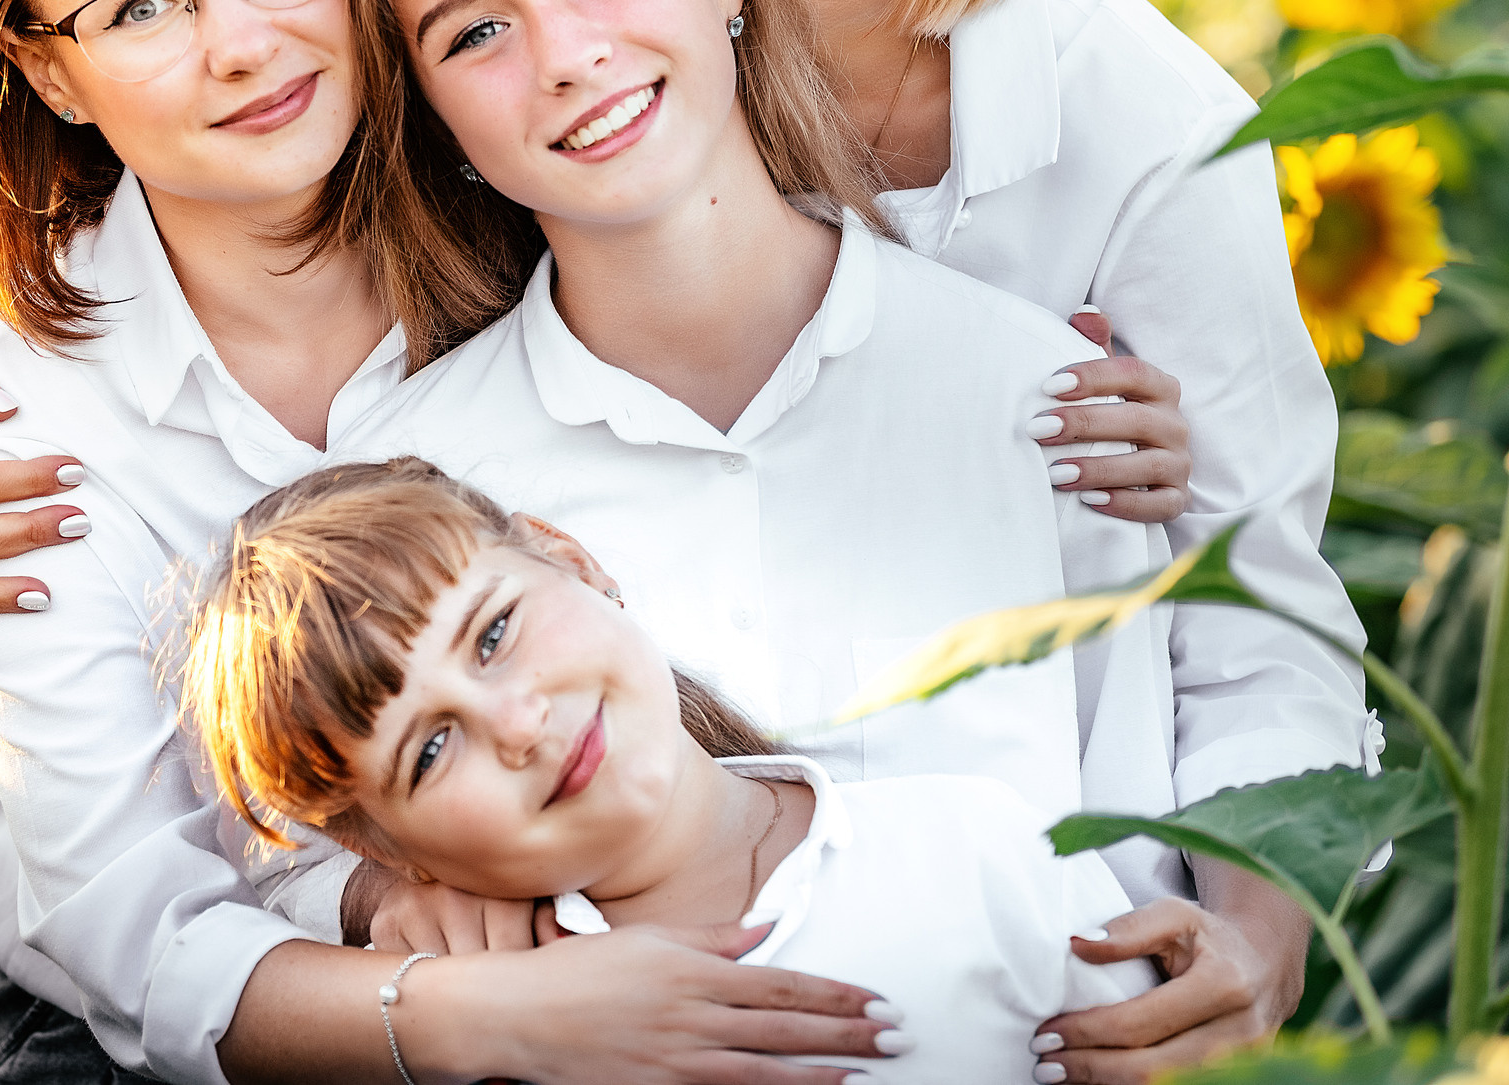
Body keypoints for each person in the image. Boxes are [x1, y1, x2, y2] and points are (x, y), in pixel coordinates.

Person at [0, 0, 1371, 1077]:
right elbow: (164, 885)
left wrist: (1249, 943)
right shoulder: (437, 308)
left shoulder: (1106, 146)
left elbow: (1258, 607)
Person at [0, 0, 897, 1085]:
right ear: (50, 73)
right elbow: (132, 929)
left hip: (604, 836)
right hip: (162, 997)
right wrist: (462, 997)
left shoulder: (508, 152)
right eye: (142, 8)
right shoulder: (23, 421)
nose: (242, 44)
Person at [178, 457, 1160, 1083]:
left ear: (568, 556)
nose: (516, 722)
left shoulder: (974, 845)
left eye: (494, 633)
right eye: (429, 750)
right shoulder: (478, 1038)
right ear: (378, 845)